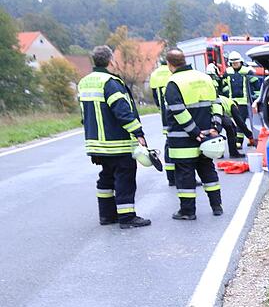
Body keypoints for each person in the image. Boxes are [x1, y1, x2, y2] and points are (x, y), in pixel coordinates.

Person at [77, 45, 151, 229]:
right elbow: (123, 112)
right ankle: (127, 217)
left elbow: (84, 114)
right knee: (125, 177)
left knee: (106, 177)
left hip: (95, 143)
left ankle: (107, 215)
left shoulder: (84, 82)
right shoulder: (110, 82)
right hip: (116, 142)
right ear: (111, 61)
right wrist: (138, 133)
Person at [163, 48, 223, 220]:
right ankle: (217, 206)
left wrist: (193, 131)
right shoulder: (204, 78)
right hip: (207, 136)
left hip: (183, 139)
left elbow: (178, 110)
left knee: (185, 176)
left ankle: (188, 211)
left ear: (169, 64)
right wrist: (216, 126)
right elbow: (217, 103)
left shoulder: (173, 82)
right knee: (208, 170)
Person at [221, 51, 260, 140]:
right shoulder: (228, 72)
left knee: (240, 121)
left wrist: (256, 98)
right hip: (231, 101)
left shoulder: (247, 71)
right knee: (238, 122)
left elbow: (256, 84)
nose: (235, 64)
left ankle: (240, 141)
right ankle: (250, 136)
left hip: (244, 101)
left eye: (236, 62)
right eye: (233, 63)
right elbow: (224, 86)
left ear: (241, 62)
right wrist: (226, 96)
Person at [148, 58, 175, 185]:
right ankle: (179, 177)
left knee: (168, 144)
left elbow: (155, 96)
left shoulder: (154, 74)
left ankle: (170, 177)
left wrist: (160, 109)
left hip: (165, 115)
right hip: (175, 113)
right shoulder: (173, 72)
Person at [219, 93, 255, 158]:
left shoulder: (226, 101)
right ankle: (233, 153)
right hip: (218, 110)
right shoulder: (233, 105)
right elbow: (240, 123)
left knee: (216, 130)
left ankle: (219, 153)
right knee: (231, 129)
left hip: (211, 109)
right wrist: (250, 136)